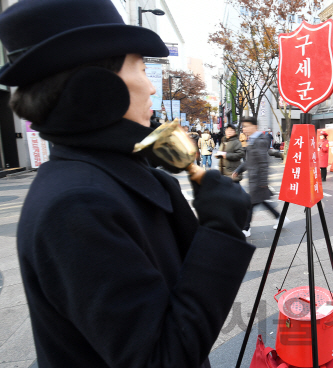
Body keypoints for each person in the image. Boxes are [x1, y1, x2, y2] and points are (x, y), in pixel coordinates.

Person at [1, 1, 254, 367]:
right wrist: (221, 231)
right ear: (97, 89)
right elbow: (162, 358)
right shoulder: (77, 205)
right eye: (139, 68)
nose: (151, 87)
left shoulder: (108, 176)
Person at [233, 117, 290, 236]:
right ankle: (280, 218)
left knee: (252, 204)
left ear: (255, 127)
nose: (244, 129)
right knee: (261, 202)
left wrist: (263, 182)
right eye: (243, 126)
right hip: (255, 179)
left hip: (258, 180)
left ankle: (246, 228)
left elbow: (264, 163)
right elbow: (249, 161)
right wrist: (239, 170)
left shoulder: (259, 141)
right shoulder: (252, 140)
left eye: (247, 126)